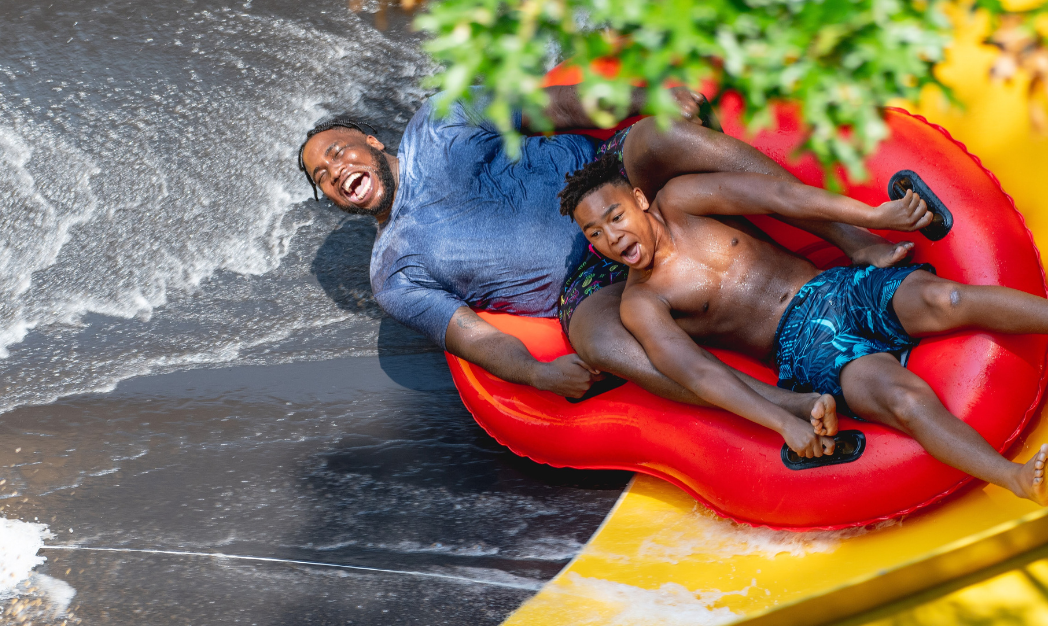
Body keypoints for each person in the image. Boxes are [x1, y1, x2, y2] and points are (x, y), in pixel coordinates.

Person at [297, 85, 929, 422]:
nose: (337, 171)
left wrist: (642, 98)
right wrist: (537, 374)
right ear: (332, 199)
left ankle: (860, 240)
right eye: (324, 177)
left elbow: (560, 106)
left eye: (340, 153)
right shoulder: (394, 272)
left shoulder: (441, 118)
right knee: (600, 341)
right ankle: (777, 405)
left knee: (665, 134)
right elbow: (474, 337)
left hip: (604, 178)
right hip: (580, 282)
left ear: (370, 139)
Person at [559, 153, 1048, 506]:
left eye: (615, 217)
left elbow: (781, 196)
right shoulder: (643, 303)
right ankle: (1017, 478)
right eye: (597, 234)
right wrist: (784, 421)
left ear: (637, 201)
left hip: (837, 288)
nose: (613, 237)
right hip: (806, 349)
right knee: (902, 399)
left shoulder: (682, 200)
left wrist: (873, 219)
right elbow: (701, 374)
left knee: (945, 296)